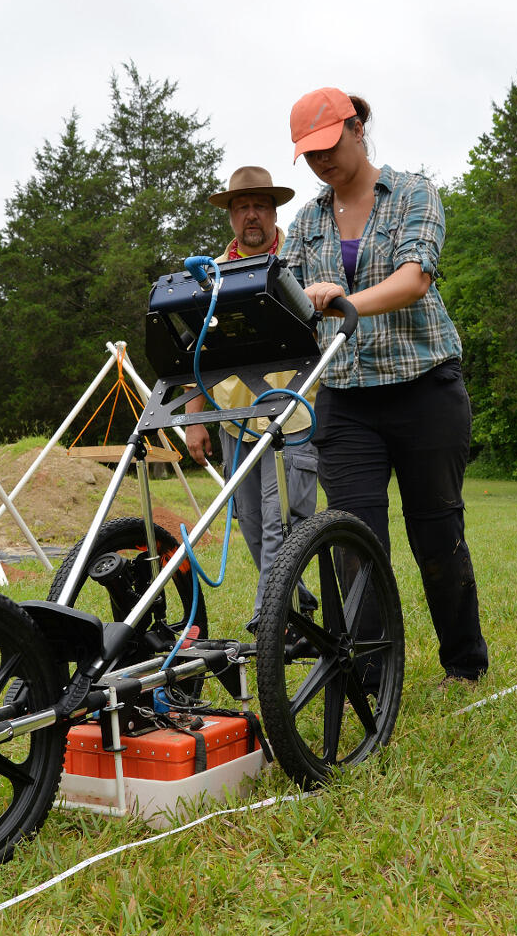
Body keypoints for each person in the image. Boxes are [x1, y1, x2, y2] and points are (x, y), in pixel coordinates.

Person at [281, 87, 489, 683]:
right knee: (353, 539)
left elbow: (414, 278)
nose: (322, 162)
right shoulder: (306, 223)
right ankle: (369, 672)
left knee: (436, 529)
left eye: (328, 145)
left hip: (425, 389)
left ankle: (464, 662)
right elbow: (286, 299)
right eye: (309, 153)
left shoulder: (414, 194)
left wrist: (342, 300)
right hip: (345, 400)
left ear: (356, 127)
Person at [182, 166, 319, 631]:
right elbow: (196, 351)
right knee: (253, 526)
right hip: (237, 424)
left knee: (284, 524)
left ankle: (269, 619)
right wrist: (194, 418)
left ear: (274, 211)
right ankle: (297, 604)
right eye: (242, 207)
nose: (252, 215)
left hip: (293, 418)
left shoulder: (298, 260)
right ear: (231, 217)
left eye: (260, 205)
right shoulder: (213, 275)